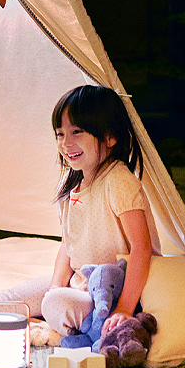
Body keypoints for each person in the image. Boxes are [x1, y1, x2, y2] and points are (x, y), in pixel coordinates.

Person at [41, 85, 161, 337]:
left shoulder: (118, 180)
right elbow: (68, 244)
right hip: (81, 285)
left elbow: (142, 247)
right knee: (14, 297)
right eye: (60, 134)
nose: (66, 143)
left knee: (55, 303)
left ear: (109, 137)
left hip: (113, 293)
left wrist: (124, 309)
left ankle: (90, 329)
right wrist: (55, 286)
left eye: (77, 132)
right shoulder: (72, 185)